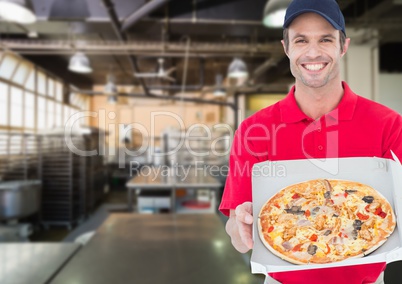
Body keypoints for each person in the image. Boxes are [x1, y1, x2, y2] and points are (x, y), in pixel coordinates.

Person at [219, 0, 402, 283]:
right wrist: (239, 229)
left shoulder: (388, 124)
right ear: (286, 48)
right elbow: (237, 232)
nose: (313, 52)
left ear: (343, 46)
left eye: (326, 39)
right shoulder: (253, 130)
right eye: (301, 40)